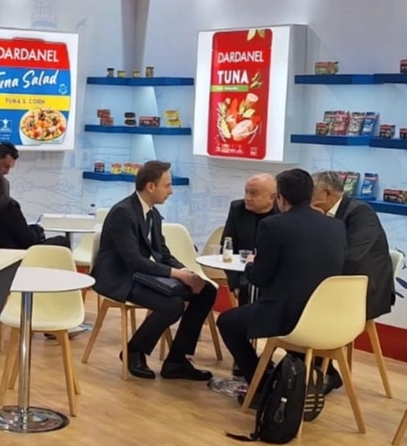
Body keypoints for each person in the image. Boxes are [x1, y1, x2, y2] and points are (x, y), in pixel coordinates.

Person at [216, 168, 347, 394]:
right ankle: (291, 379)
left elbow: (260, 277)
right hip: (325, 315)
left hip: (287, 315)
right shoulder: (336, 226)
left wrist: (250, 265)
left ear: (280, 198)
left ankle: (260, 386)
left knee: (227, 322)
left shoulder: (273, 225)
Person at [90, 160, 217, 381]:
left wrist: (185, 271)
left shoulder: (153, 214)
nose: (171, 191)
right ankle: (134, 351)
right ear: (151, 186)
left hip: (141, 274)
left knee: (206, 290)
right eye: (167, 185)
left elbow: (162, 253)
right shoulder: (123, 213)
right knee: (172, 305)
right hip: (120, 277)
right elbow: (132, 261)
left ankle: (177, 360)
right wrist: (177, 275)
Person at [311, 170, 395, 393]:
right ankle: (314, 370)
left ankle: (319, 372)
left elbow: (351, 257)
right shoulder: (322, 214)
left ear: (327, 193)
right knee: (291, 305)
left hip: (365, 291)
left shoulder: (360, 212)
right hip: (338, 285)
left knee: (304, 309)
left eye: (311, 192)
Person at [0, 164, 68, 250]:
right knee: (62, 241)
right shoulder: (8, 205)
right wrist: (37, 230)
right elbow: (28, 240)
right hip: (16, 254)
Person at [221, 173, 279, 300]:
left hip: (274, 275)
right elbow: (227, 247)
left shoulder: (282, 214)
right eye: (246, 192)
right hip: (244, 274)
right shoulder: (238, 209)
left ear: (272, 197)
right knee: (246, 289)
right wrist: (235, 283)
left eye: (253, 194)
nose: (247, 198)